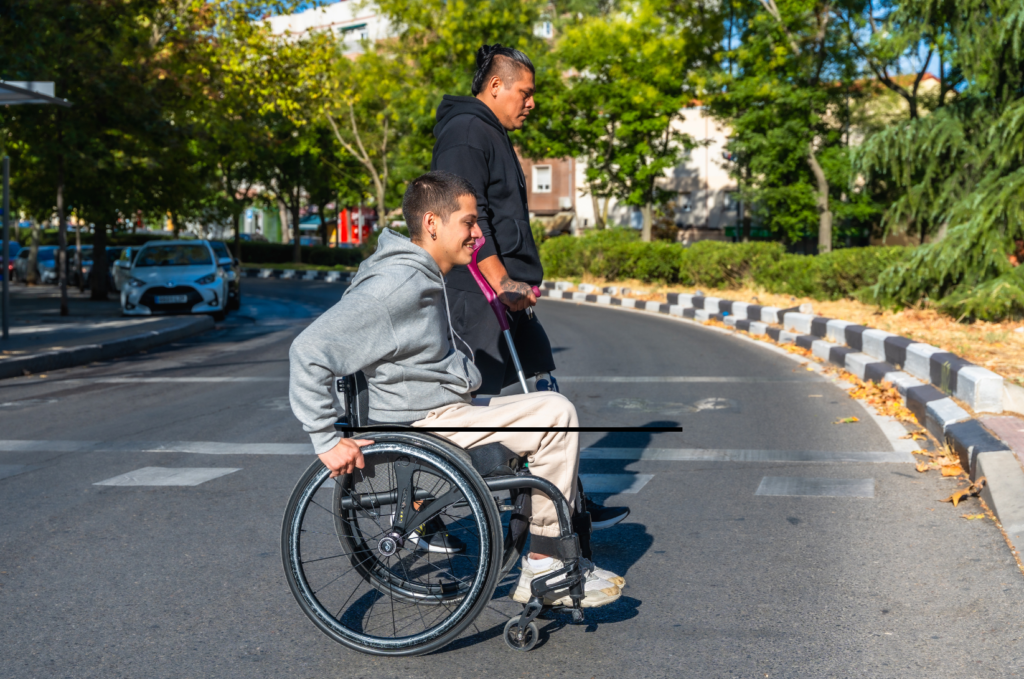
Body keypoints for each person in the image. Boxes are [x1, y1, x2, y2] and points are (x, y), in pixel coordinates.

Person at [288, 171, 623, 607]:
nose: (478, 234)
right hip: (424, 422)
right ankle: (544, 564)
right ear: (432, 224)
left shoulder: (417, 273)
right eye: (468, 222)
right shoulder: (399, 284)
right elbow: (309, 348)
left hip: (434, 409)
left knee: (550, 405)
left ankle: (545, 551)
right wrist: (325, 438)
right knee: (556, 416)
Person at [432, 43, 629, 530]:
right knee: (471, 411)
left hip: (503, 292)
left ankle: (565, 506)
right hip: (479, 292)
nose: (531, 102)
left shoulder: (487, 132)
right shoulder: (465, 133)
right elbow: (467, 219)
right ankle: (418, 504)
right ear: (495, 86)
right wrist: (500, 281)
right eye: (526, 91)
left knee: (538, 390)